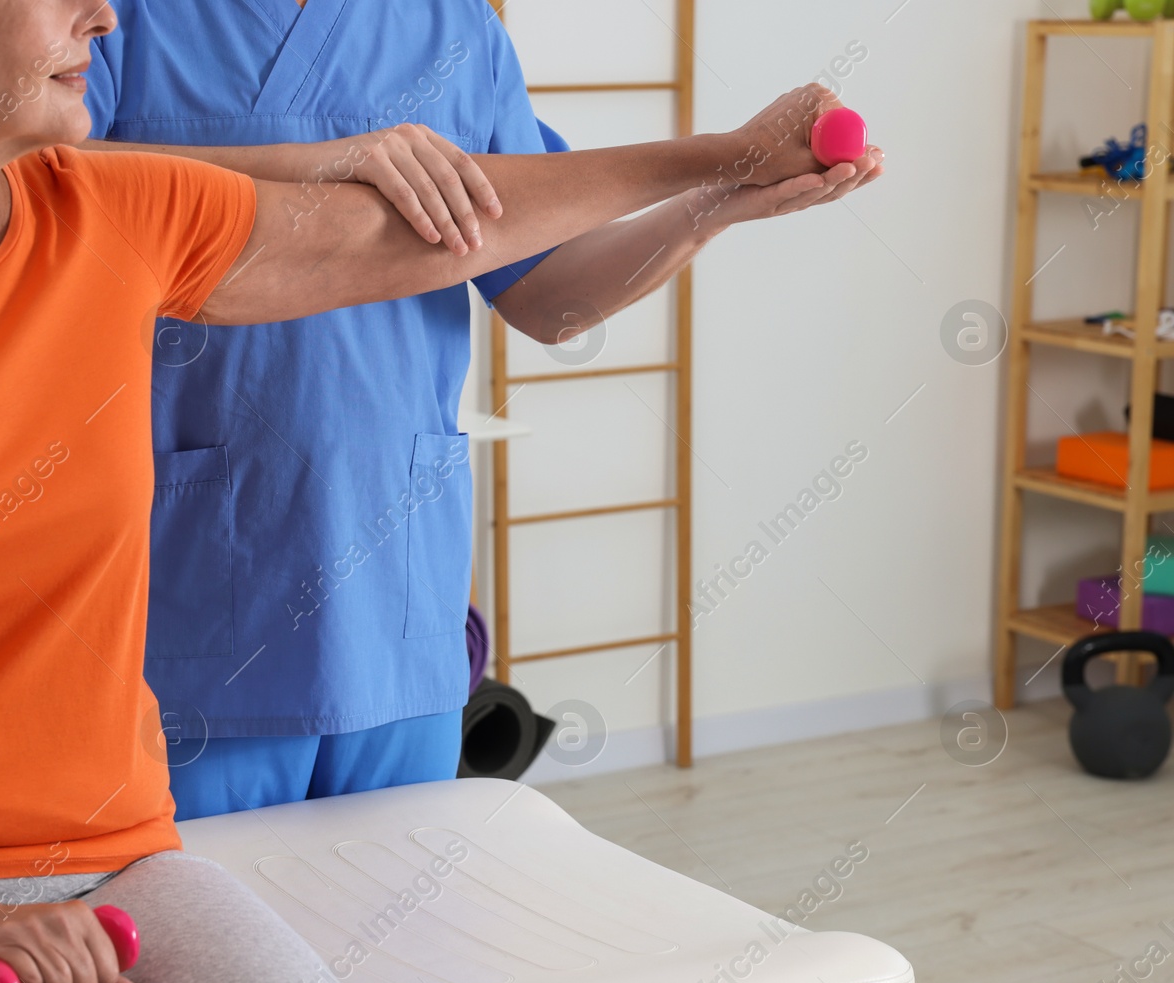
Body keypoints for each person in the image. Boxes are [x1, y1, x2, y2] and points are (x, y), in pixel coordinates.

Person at [0, 0, 876, 983]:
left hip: (108, 859)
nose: (101, 16)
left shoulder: (113, 219)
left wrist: (715, 163)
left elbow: (459, 223)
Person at [79, 0, 885, 820]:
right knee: (213, 932)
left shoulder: (454, 30)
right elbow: (50, 183)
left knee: (399, 921)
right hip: (198, 589)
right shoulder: (118, 17)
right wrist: (317, 164)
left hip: (395, 590)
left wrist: (713, 206)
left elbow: (546, 297)